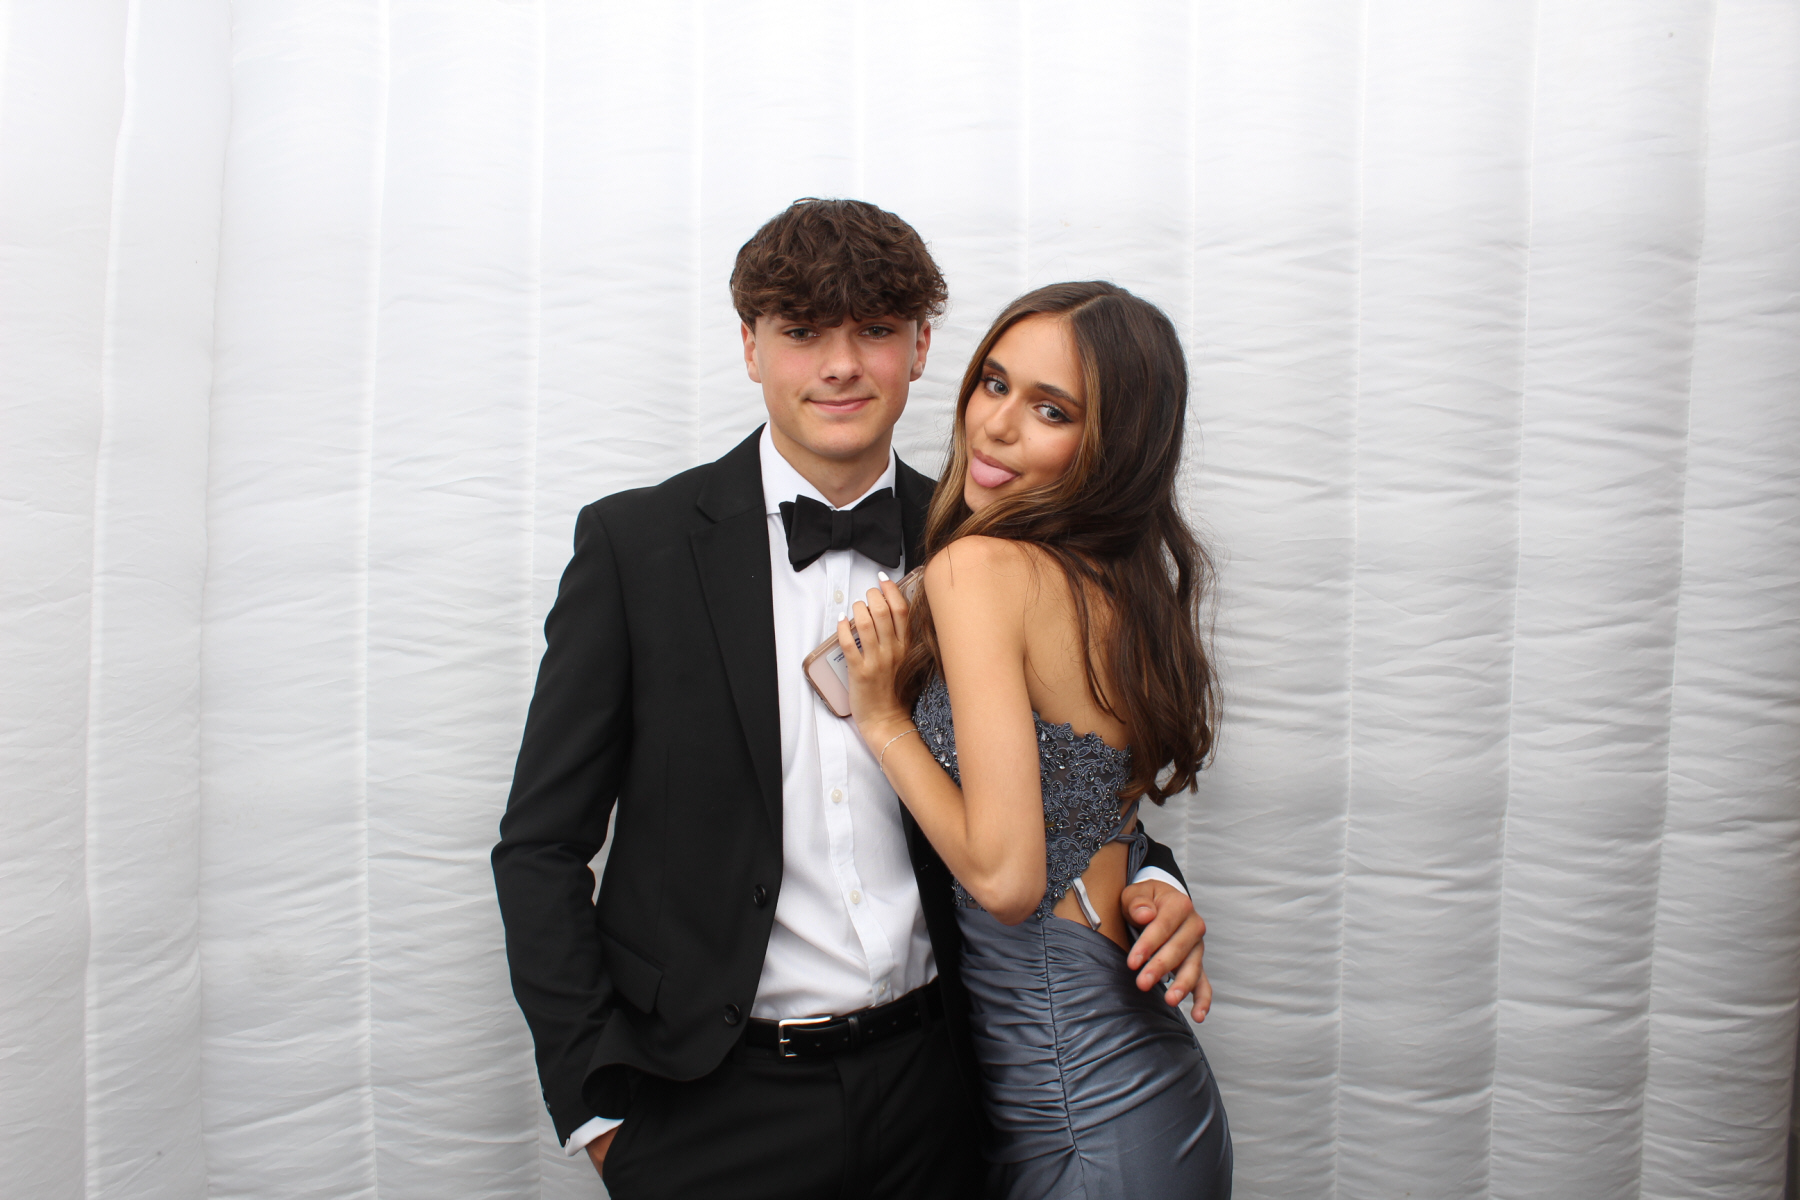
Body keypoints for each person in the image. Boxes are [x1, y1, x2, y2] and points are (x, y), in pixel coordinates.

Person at [492, 200, 1214, 1200]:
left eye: (873, 329)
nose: (840, 366)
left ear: (920, 348)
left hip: (942, 1095)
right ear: (751, 347)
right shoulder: (634, 548)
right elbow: (540, 846)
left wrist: (1155, 883)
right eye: (801, 331)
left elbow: (1062, 777)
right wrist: (601, 1113)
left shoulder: (984, 541)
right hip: (709, 1106)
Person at [836, 281, 1232, 1198]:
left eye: (1052, 410)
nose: (996, 426)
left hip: (1079, 1109)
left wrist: (884, 719)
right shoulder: (1121, 584)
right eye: (994, 383)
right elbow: (1088, 812)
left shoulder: (978, 568)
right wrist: (1160, 883)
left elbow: (1011, 882)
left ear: (1113, 445)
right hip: (1139, 1095)